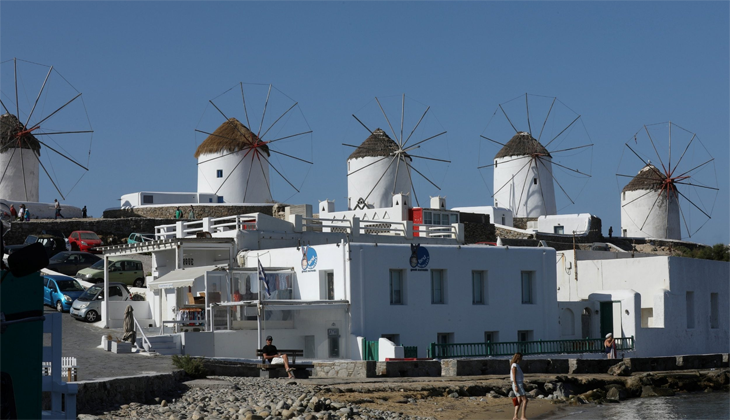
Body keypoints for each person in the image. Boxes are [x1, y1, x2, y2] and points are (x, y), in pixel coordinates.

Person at [510, 352, 528, 420]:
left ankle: (515, 416)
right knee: (525, 400)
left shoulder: (515, 365)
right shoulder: (514, 365)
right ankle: (522, 416)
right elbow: (514, 376)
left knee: (519, 400)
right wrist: (516, 385)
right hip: (517, 384)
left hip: (518, 383)